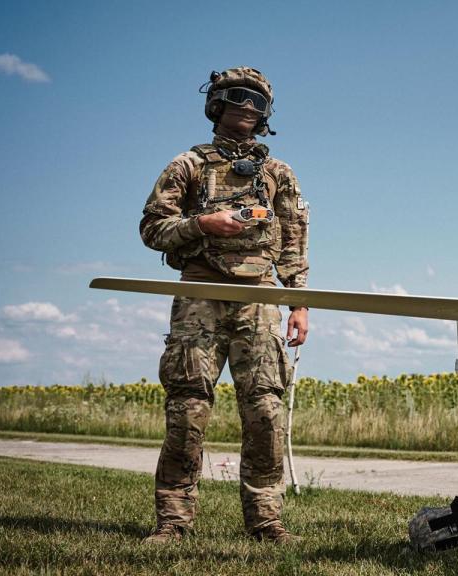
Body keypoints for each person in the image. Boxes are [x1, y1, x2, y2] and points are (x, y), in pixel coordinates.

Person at [138, 66, 309, 544]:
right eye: (237, 97)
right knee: (188, 411)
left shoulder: (278, 174)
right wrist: (203, 225)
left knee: (266, 414)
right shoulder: (188, 165)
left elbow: (294, 239)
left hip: (259, 301)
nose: (247, 108)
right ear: (217, 103)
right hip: (200, 296)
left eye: (257, 101)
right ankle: (173, 522)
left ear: (266, 113)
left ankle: (266, 521)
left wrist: (299, 303)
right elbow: (152, 229)